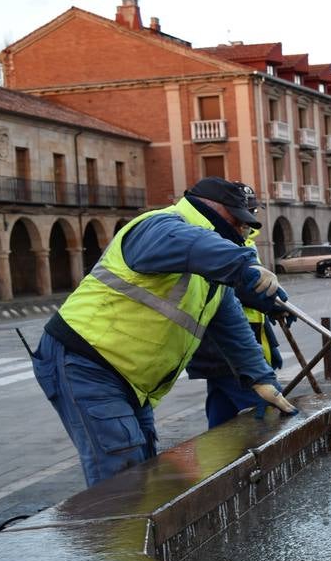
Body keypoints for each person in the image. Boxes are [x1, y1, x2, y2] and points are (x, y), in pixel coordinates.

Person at [32, 177, 297, 486]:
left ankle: (137, 530)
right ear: (210, 208)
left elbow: (232, 327)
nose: (242, 231)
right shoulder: (159, 227)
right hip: (85, 360)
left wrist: (261, 378)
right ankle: (117, 531)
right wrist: (243, 264)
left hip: (131, 378)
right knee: (121, 469)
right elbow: (193, 243)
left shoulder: (210, 269)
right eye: (237, 221)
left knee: (143, 466)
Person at [187, 225, 292, 428]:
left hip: (238, 349)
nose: (246, 224)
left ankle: (218, 457)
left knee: (221, 418)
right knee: (265, 419)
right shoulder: (217, 246)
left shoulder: (246, 243)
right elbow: (235, 289)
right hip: (224, 350)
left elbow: (255, 310)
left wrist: (272, 343)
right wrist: (268, 302)